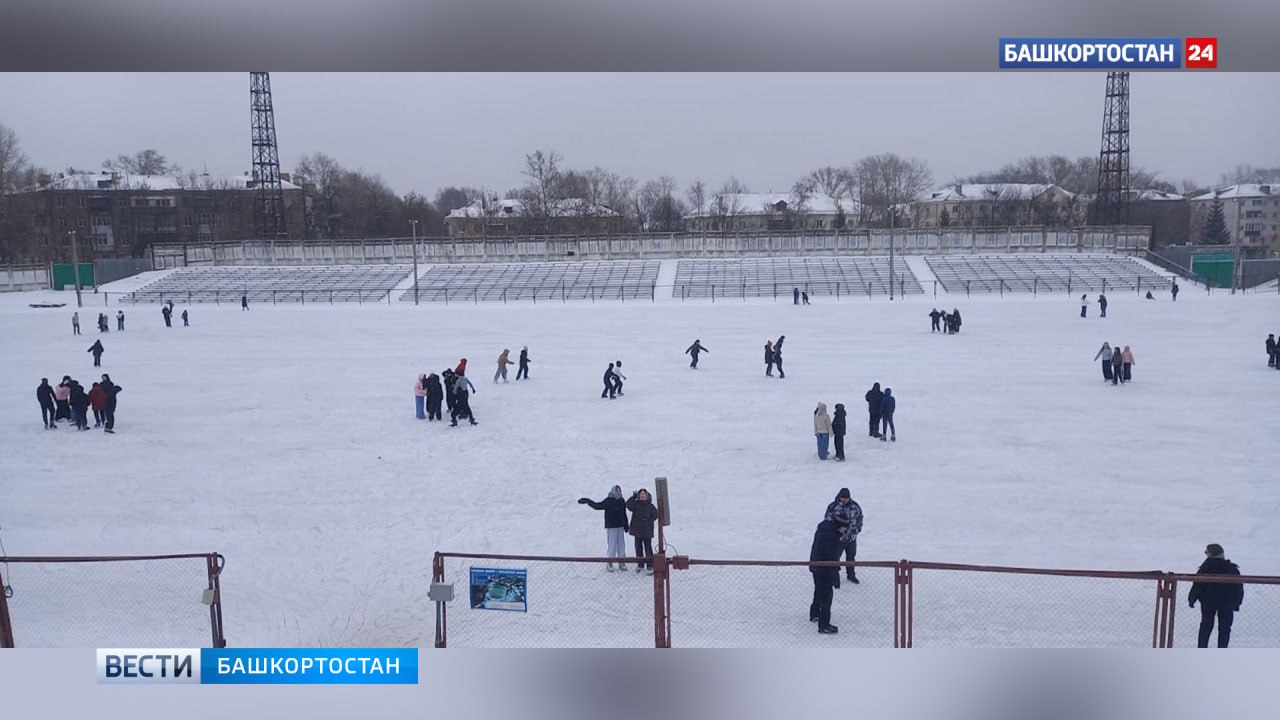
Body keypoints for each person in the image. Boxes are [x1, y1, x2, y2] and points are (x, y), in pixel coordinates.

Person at [1188, 543, 1243, 648]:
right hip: (1227, 603)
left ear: (1211, 554)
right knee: (1225, 628)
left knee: (1206, 625)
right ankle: (1222, 650)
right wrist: (1237, 602)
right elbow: (1238, 587)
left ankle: (1202, 648)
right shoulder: (1232, 569)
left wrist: (1192, 598)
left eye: (1206, 552)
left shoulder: (1205, 568)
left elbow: (1197, 585)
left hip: (1208, 602)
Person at [809, 515, 847, 634]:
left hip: (816, 566)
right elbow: (832, 558)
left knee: (819, 591)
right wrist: (835, 576)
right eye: (845, 528)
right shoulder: (832, 537)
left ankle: (814, 613)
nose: (845, 530)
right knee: (827, 596)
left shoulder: (824, 530)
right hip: (825, 570)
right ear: (840, 526)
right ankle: (824, 625)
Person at [578, 486, 630, 571]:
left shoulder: (621, 500)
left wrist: (626, 525)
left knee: (621, 544)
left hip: (620, 526)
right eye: (616, 491)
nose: (618, 492)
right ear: (613, 491)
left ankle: (622, 561)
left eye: (619, 491)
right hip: (611, 526)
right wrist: (588, 501)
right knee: (612, 544)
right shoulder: (608, 500)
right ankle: (609, 562)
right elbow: (598, 506)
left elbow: (624, 513)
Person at [825, 488, 864, 583]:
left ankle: (851, 575)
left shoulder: (855, 506)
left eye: (846, 498)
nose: (845, 500)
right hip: (838, 539)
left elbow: (860, 518)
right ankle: (834, 576)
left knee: (851, 557)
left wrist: (857, 530)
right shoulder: (833, 507)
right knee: (835, 558)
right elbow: (827, 521)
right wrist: (835, 531)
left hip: (851, 538)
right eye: (843, 498)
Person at [626, 489, 659, 574]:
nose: (642, 496)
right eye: (641, 495)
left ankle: (650, 565)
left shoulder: (650, 506)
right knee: (638, 548)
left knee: (648, 548)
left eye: (644, 494)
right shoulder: (636, 504)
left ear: (647, 496)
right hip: (637, 531)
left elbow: (655, 515)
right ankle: (640, 564)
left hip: (647, 531)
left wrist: (648, 521)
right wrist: (633, 497)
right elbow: (628, 505)